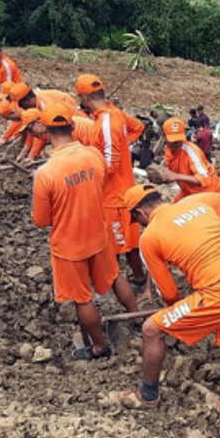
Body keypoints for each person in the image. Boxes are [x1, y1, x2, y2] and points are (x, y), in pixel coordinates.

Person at [111, 184, 220, 422]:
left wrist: (175, 310)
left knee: (151, 329)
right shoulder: (197, 206)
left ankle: (147, 396)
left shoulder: (150, 236)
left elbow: (169, 293)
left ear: (140, 212)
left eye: (136, 220)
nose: (139, 224)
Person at [32, 104, 138, 360]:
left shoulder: (46, 173)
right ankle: (136, 318)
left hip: (69, 246)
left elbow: (41, 221)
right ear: (72, 126)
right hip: (99, 234)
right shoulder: (93, 155)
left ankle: (99, 347)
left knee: (82, 298)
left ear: (45, 131)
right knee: (115, 276)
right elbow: (99, 185)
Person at [75, 74, 149, 292]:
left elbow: (110, 164)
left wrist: (86, 177)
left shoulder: (107, 121)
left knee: (116, 245)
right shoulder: (114, 113)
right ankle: (134, 278)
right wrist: (123, 145)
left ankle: (116, 283)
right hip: (122, 190)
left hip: (114, 196)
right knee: (127, 241)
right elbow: (138, 127)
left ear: (85, 98)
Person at [161, 118, 220, 201]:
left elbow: (204, 179)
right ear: (164, 136)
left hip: (208, 193)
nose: (177, 143)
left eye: (179, 139)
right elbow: (172, 170)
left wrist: (176, 176)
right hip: (189, 192)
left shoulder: (191, 152)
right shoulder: (168, 151)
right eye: (173, 140)